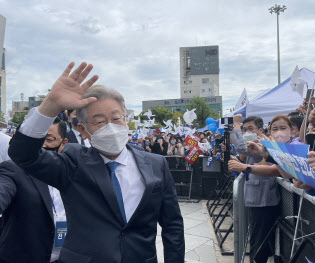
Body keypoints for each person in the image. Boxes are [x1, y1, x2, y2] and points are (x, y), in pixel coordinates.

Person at [8, 62, 185, 263]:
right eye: (99, 122)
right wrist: (50, 105)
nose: (110, 127)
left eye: (116, 118)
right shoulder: (72, 163)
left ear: (125, 120)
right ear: (83, 130)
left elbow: (173, 226)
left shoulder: (156, 164)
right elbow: (22, 154)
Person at [0, 118, 68, 263]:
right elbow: (3, 190)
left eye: (49, 139)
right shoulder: (12, 170)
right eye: (36, 139)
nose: (41, 145)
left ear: (63, 143)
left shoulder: (72, 171)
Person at [228, 114, 279, 263]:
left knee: (259, 244)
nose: (246, 132)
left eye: (250, 129)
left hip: (263, 199)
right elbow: (243, 155)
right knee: (257, 240)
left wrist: (236, 124)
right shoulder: (254, 142)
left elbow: (241, 148)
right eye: (244, 129)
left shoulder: (262, 142)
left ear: (260, 130)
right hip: (255, 198)